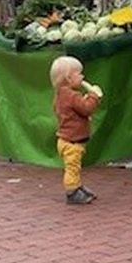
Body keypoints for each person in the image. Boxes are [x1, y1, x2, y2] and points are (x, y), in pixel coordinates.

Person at [49, 55, 102, 205]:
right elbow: (87, 109)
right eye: (79, 74)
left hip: (66, 140)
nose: (82, 76)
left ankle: (78, 186)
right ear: (69, 78)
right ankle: (72, 191)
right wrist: (93, 97)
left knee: (75, 166)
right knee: (72, 168)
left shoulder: (60, 95)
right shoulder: (71, 96)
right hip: (72, 142)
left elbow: (72, 111)